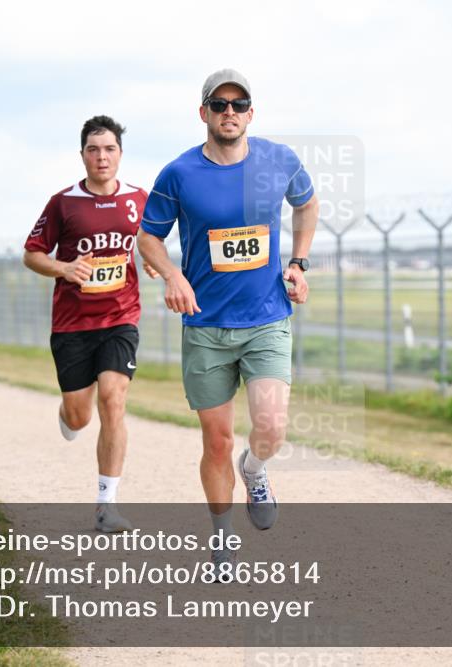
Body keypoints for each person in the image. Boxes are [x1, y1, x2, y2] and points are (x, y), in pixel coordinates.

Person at [137, 69, 318, 578]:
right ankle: (222, 540)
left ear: (251, 113)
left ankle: (255, 471)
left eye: (239, 105)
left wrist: (299, 264)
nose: (230, 113)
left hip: (266, 318)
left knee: (272, 427)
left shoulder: (279, 160)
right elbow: (148, 237)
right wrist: (172, 274)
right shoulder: (179, 174)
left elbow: (306, 204)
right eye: (219, 105)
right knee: (215, 440)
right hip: (206, 325)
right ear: (204, 114)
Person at [23, 115, 156, 533]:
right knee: (81, 416)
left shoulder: (138, 198)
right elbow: (32, 253)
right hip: (72, 324)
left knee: (113, 399)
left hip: (120, 317)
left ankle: (106, 504)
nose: (102, 157)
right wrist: (64, 268)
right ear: (82, 155)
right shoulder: (63, 203)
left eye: (110, 149)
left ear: (120, 154)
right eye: (94, 150)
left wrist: (153, 261)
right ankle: (68, 414)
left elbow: (150, 240)